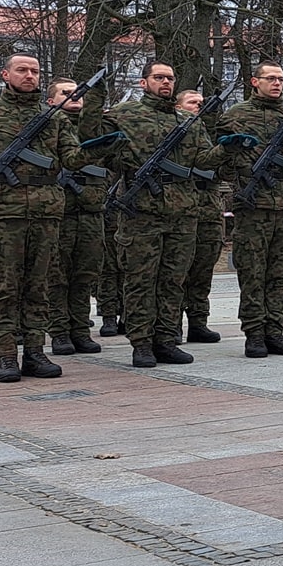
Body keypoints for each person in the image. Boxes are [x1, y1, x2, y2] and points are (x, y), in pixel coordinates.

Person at [0, 53, 98, 382]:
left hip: (46, 212)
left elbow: (72, 158)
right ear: (5, 74)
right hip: (3, 212)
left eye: (35, 71)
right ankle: (7, 355)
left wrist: (98, 147)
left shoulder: (54, 117)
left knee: (39, 285)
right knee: (4, 285)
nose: (29, 76)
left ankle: (35, 352)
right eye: (22, 70)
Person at [103, 62, 216, 369]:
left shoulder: (188, 121)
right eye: (159, 77)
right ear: (144, 82)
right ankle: (141, 343)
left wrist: (228, 149)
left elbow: (204, 159)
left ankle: (166, 340)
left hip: (182, 212)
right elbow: (98, 145)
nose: (166, 82)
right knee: (141, 280)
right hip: (141, 212)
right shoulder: (124, 114)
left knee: (172, 280)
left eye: (170, 78)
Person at [215, 62, 283, 357]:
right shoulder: (235, 116)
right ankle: (254, 332)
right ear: (255, 82)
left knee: (279, 272)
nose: (277, 83)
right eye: (271, 78)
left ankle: (274, 330)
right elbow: (219, 161)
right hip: (253, 206)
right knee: (253, 272)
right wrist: (242, 166)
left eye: (281, 79)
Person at [45, 77, 108, 356]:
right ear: (51, 101)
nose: (74, 97)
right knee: (57, 276)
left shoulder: (93, 126)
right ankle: (59, 331)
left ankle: (80, 330)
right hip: (60, 212)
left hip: (90, 212)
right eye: (66, 93)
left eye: (78, 93)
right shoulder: (47, 126)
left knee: (85, 275)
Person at [175, 88, 226, 346]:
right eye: (192, 102)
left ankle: (198, 322)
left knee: (203, 272)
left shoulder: (207, 132)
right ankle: (171, 324)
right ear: (178, 106)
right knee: (176, 272)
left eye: (201, 103)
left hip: (208, 211)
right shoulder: (173, 131)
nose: (198, 106)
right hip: (181, 209)